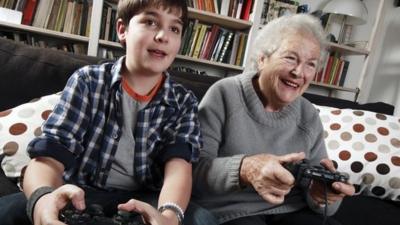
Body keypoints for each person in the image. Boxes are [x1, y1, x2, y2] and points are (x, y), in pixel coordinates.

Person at [0, 1, 217, 225]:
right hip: (80, 193)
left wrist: (169, 217)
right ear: (123, 30)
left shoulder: (184, 102)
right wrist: (44, 200)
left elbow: (179, 170)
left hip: (146, 199)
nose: (163, 36)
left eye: (175, 28)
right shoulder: (87, 81)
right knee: (7, 211)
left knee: (204, 220)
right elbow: (50, 155)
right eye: (150, 22)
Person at [192, 14, 355, 225]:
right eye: (290, 58)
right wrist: (245, 168)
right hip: (232, 212)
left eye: (310, 64)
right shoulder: (224, 94)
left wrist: (322, 195)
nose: (299, 72)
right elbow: (192, 171)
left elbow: (324, 202)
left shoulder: (308, 113)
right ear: (262, 59)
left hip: (291, 210)